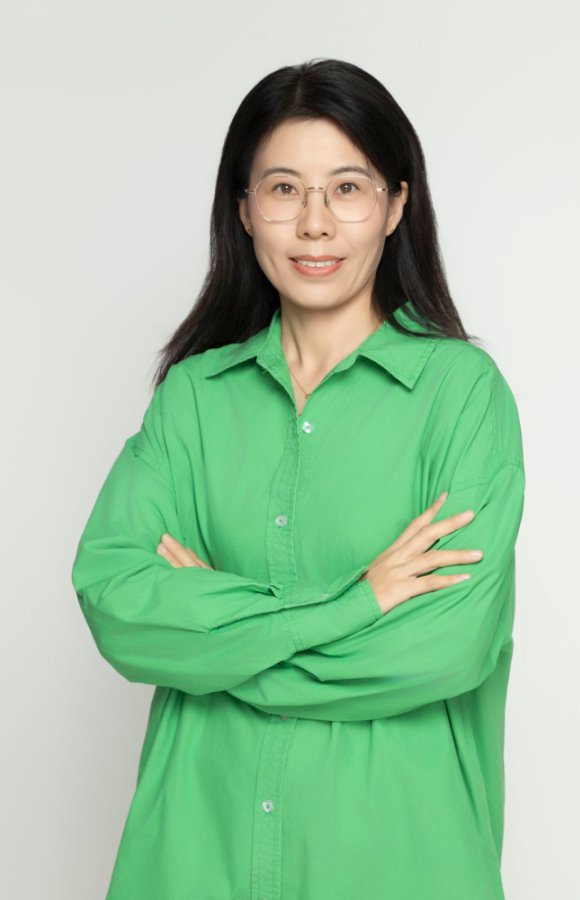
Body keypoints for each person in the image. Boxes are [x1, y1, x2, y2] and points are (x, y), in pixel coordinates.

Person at [71, 58, 525, 900]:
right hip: (192, 863)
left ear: (395, 205)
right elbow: (118, 604)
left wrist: (215, 639)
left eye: (347, 189)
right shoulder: (193, 400)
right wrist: (354, 605)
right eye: (284, 189)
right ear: (244, 210)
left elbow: (445, 645)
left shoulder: (461, 396)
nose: (315, 224)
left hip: (397, 867)